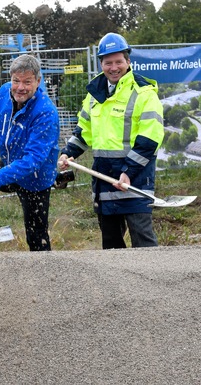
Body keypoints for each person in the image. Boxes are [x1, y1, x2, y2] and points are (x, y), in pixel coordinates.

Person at [58, 33, 164, 249]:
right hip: (103, 177)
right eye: (108, 62)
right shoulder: (94, 95)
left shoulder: (144, 93)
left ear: (128, 62)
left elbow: (149, 139)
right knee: (111, 245)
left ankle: (154, 280)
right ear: (101, 64)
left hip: (135, 178)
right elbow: (83, 131)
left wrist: (129, 172)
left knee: (143, 241)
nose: (113, 67)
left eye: (118, 62)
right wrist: (69, 153)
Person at [0, 54, 60, 251]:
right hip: (10, 162)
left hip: (35, 175)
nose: (20, 87)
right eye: (16, 81)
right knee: (3, 179)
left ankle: (43, 268)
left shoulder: (45, 112)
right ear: (10, 78)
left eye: (27, 82)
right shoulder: (4, 92)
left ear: (38, 81)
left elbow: (33, 159)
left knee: (36, 232)